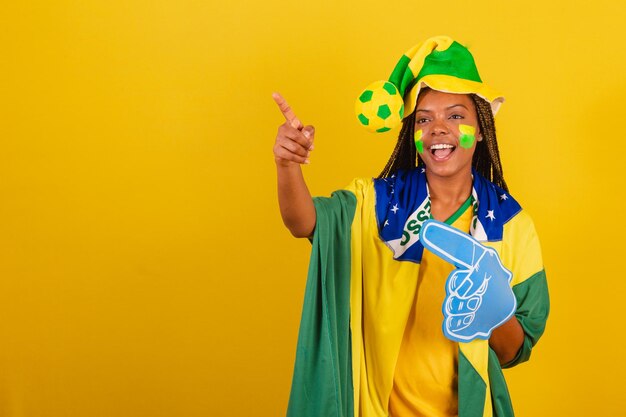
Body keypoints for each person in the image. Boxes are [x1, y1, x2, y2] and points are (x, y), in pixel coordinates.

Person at [273, 36, 549, 417]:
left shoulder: (511, 226)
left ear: (481, 128)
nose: (438, 128)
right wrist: (287, 165)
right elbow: (303, 222)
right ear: (412, 132)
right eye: (424, 118)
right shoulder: (377, 203)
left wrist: (495, 313)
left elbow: (513, 351)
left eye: (455, 116)